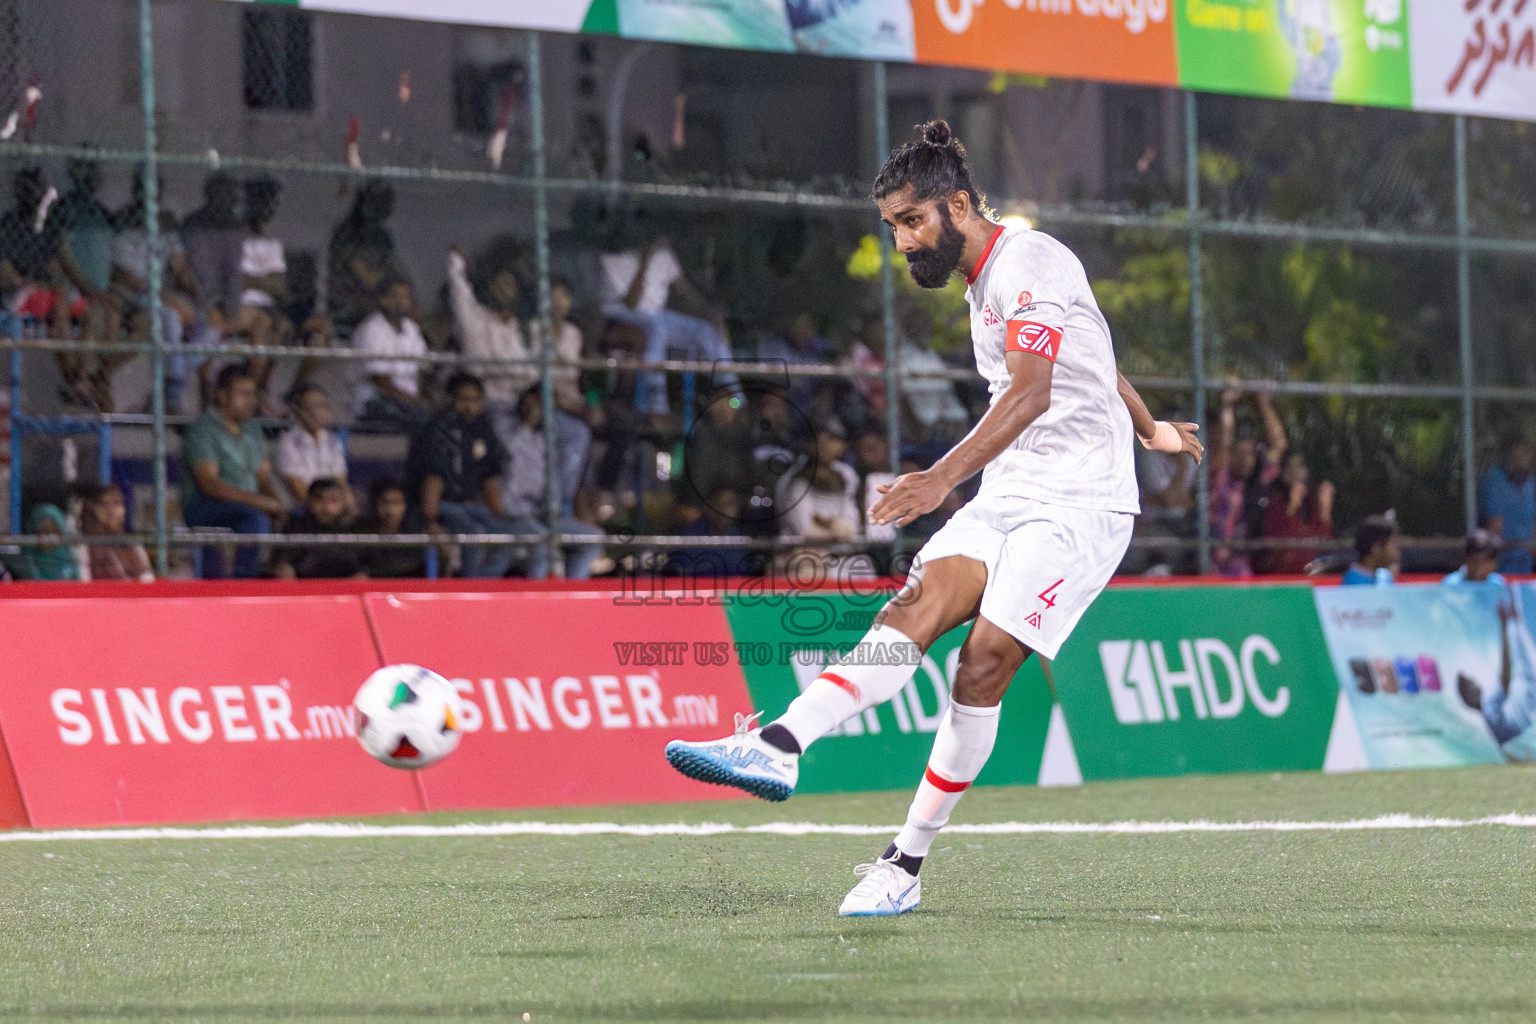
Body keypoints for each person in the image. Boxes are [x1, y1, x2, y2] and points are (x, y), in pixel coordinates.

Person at [663, 119, 1201, 916]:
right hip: (1012, 493)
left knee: (981, 663)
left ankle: (904, 864)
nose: (904, 243)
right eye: (893, 229)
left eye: (912, 223)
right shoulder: (987, 286)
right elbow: (1094, 355)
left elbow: (1033, 391)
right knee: (914, 609)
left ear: (957, 204)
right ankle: (776, 746)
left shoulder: (1033, 259)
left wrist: (941, 480)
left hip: (1083, 506)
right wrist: (1150, 424)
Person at [0, 166, 112, 408]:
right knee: (59, 307)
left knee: (91, 312)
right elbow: (8, 277)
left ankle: (77, 379)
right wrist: (43, 283)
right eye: (29, 191)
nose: (36, 196)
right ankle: (76, 385)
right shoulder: (9, 226)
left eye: (39, 191)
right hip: (19, 296)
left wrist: (100, 295)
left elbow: (73, 272)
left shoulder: (50, 228)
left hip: (50, 293)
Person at [599, 227, 738, 416]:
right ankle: (657, 407)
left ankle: (735, 399)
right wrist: (645, 260)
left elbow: (684, 291)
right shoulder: (613, 259)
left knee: (706, 331)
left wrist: (709, 313)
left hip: (658, 317)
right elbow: (632, 302)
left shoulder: (664, 256)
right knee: (657, 328)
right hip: (626, 315)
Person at [406, 372, 533, 578]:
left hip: (472, 507)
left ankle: (484, 582)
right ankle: (470, 584)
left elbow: (490, 478)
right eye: (463, 399)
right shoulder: (438, 429)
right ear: (451, 399)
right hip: (443, 506)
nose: (469, 405)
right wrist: (430, 522)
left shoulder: (482, 429)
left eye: (474, 400)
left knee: (512, 532)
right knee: (474, 533)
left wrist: (500, 516)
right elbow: (433, 478)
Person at [181, 365, 289, 578]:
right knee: (257, 520)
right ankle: (242, 581)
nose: (251, 401)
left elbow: (263, 477)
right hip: (206, 506)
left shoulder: (252, 430)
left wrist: (280, 505)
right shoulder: (203, 429)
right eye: (244, 394)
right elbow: (209, 485)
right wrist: (259, 502)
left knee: (295, 518)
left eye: (253, 395)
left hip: (245, 505)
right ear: (221, 395)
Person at [498, 387, 604, 579]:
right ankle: (536, 596)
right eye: (539, 403)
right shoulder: (507, 428)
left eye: (549, 405)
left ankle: (574, 597)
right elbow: (510, 462)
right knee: (539, 538)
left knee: (592, 536)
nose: (542, 410)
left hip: (543, 515)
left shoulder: (544, 438)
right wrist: (528, 424)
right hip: (511, 513)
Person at [1209, 386, 1286, 577]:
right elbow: (1224, 443)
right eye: (1239, 453)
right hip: (1212, 560)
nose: (1244, 459)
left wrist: (1263, 403)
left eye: (1249, 454)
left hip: (1242, 562)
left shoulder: (1258, 479)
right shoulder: (1221, 478)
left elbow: (1279, 445)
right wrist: (1227, 405)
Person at [445, 246, 535, 406]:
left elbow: (529, 374)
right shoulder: (473, 317)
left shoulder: (521, 329)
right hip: (483, 403)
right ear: (490, 286)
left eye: (509, 285)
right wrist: (457, 260)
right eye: (498, 284)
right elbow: (458, 289)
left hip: (518, 405)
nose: (503, 290)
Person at [352, 275, 430, 430]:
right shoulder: (371, 329)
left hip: (408, 401)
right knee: (422, 420)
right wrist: (413, 400)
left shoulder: (411, 329)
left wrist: (419, 397)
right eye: (395, 296)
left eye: (406, 297)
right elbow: (380, 380)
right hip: (374, 400)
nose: (401, 301)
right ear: (383, 299)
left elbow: (422, 368)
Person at [328, 180, 401, 331]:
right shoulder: (346, 234)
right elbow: (364, 276)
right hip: (348, 307)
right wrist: (384, 286)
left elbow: (394, 271)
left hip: (379, 305)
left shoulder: (382, 236)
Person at [274, 383, 350, 510]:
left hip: (334, 508)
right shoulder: (288, 442)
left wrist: (348, 505)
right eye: (310, 407)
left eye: (321, 406)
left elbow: (341, 482)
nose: (316, 412)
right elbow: (298, 491)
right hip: (306, 509)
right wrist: (325, 508)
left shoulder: (333, 440)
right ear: (298, 411)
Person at [271, 478, 365, 580]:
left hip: (345, 588)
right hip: (304, 586)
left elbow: (362, 567)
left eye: (333, 500)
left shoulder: (355, 527)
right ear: (309, 501)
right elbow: (284, 563)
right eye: (319, 499)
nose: (326, 506)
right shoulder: (296, 525)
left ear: (343, 503)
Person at [1258, 452, 1334, 575]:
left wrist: (1325, 512)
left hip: (1316, 575)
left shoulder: (1315, 504)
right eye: (1290, 467)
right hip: (1285, 576)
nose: (1295, 472)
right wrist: (1292, 509)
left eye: (1299, 466)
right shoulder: (1275, 505)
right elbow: (1278, 541)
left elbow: (1325, 545)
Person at [1479, 436, 1535, 575]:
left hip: (1527, 567)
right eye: (1517, 456)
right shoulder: (1494, 480)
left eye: (1526, 456)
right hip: (1501, 568)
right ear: (1507, 456)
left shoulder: (1530, 483)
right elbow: (1494, 529)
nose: (1521, 461)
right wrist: (1523, 546)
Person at [78, 482, 153, 582]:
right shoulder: (82, 545)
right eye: (113, 504)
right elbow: (84, 582)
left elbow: (148, 578)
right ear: (96, 509)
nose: (121, 511)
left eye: (121, 504)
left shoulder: (132, 545)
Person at [358, 478, 426, 579]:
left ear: (404, 506)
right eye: (385, 502)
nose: (390, 510)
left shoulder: (416, 537)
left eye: (396, 502)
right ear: (375, 504)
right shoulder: (360, 534)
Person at [19, 503, 80, 581]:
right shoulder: (27, 562)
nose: (49, 539)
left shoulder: (68, 557)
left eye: (53, 532)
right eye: (43, 532)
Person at [1341, 511, 1400, 585]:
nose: (1397, 554)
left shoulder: (1385, 577)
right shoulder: (1353, 585)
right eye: (1393, 545)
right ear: (1375, 549)